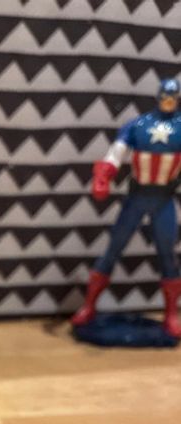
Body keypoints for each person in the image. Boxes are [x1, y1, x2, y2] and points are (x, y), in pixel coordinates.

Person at [72, 78, 181, 338]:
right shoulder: (138, 125)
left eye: (172, 97)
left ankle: (171, 314)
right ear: (158, 97)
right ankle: (89, 307)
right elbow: (115, 154)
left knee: (167, 254)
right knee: (114, 247)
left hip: (164, 199)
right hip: (136, 197)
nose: (168, 101)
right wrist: (103, 177)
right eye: (165, 97)